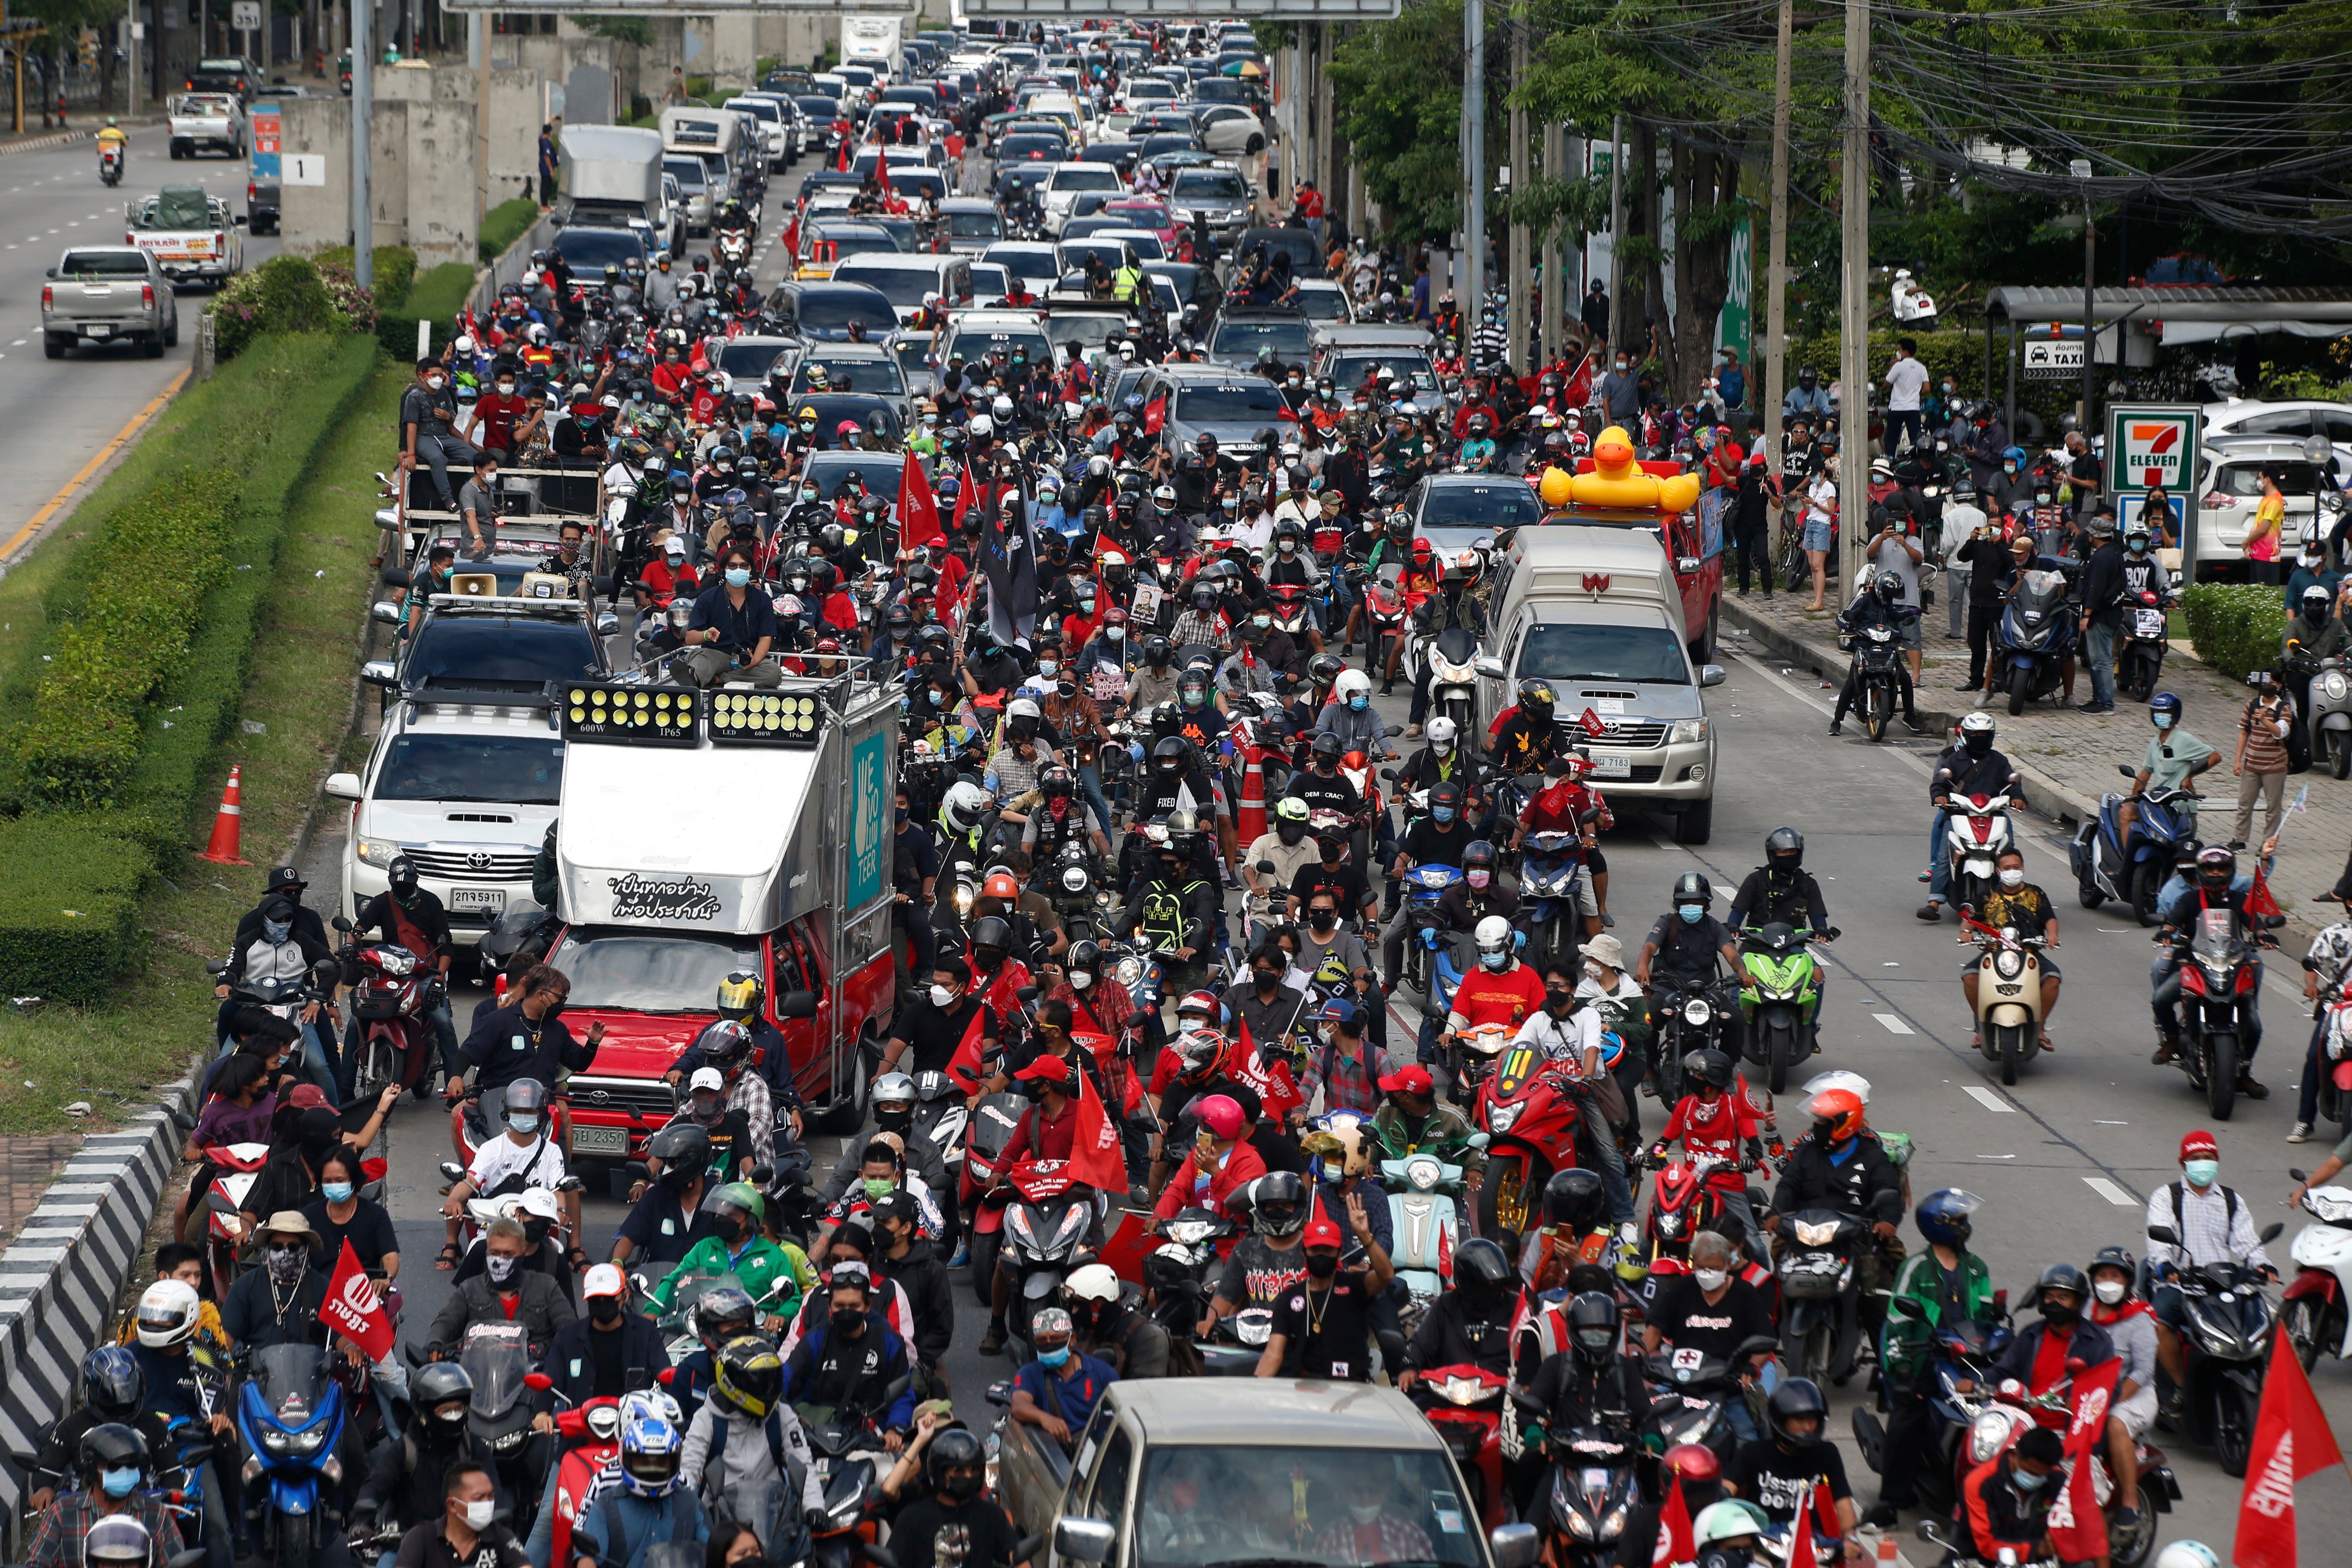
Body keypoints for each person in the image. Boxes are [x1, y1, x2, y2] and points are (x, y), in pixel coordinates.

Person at [1865, 1189, 1993, 1526]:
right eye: (1959, 1221)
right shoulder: (1916, 1268)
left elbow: (1988, 1318)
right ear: (1939, 1226)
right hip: (1924, 1360)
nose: (1965, 1227)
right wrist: (1903, 1371)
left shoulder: (1977, 1268)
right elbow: (1897, 1324)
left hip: (1968, 1362)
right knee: (1906, 1422)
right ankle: (1891, 1500)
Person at [2145, 1131, 2273, 1411]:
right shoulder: (2167, 1197)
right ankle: (2180, 1387)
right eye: (2195, 1158)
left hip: (2224, 1285)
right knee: (2158, 1324)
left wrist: (2262, 1265)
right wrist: (2166, 1267)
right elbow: (2158, 1243)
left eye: (2208, 1158)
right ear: (2183, 1163)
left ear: (2217, 1161)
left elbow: (2247, 1242)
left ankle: (2266, 1390)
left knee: (2265, 1326)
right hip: (2181, 1285)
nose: (2202, 1163)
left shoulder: (2230, 1199)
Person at [680, 1336, 825, 1518]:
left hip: (772, 1516)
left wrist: (814, 1507)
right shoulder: (707, 1418)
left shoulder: (783, 1415)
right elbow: (690, 1468)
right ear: (729, 1382)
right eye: (758, 1382)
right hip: (720, 1519)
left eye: (771, 1380)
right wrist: (683, 1515)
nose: (767, 1389)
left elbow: (803, 1462)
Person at [1723, 1379, 1861, 1558]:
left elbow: (1844, 1505)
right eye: (1800, 1420)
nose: (1807, 1427)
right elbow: (1726, 1491)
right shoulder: (1753, 1452)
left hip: (1813, 1548)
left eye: (1812, 1420)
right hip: (1762, 1546)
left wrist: (1850, 1539)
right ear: (1781, 1421)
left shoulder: (1828, 1454)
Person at [1257, 1197, 1393, 1380]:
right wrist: (1255, 1390)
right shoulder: (1289, 1298)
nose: (1321, 1255)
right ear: (1304, 1253)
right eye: (1315, 1250)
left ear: (1340, 1253)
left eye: (1328, 1250)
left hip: (1351, 1389)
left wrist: (1365, 1237)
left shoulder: (1354, 1286)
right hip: (1302, 1388)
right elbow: (1273, 1354)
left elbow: (1386, 1275)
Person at [778, 1264, 916, 1440]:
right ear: (829, 1306)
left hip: (871, 1438)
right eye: (840, 1305)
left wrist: (895, 1429)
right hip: (815, 1434)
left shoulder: (889, 1342)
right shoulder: (815, 1339)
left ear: (868, 1306)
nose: (847, 1311)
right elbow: (785, 1379)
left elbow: (902, 1396)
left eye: (855, 1305)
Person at [26, 1426, 188, 1568]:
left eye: (131, 1466)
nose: (124, 1472)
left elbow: (175, 1563)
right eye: (114, 1467)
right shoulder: (62, 1513)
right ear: (91, 1468)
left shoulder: (157, 1515)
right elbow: (37, 1563)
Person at [647, 1184, 810, 1324]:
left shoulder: (774, 1256)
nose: (723, 1219)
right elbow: (675, 1280)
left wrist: (781, 1316)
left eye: (732, 1215)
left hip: (753, 1331)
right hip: (703, 1327)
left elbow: (793, 1299)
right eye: (720, 1214)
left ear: (752, 1220)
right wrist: (654, 1309)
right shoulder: (704, 1248)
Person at [426, 1217, 578, 1354]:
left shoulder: (547, 1287)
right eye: (495, 1253)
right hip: (480, 1370)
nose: (501, 1259)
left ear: (523, 1253)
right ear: (486, 1251)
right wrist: (436, 1342)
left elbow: (567, 1324)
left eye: (509, 1254)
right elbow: (446, 1321)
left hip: (534, 1372)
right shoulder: (470, 1289)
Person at [885, 1426, 1029, 1568]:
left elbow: (1018, 1557)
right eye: (959, 1471)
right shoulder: (912, 1519)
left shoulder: (992, 1516)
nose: (968, 1476)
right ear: (940, 1474)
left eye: (974, 1470)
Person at [1967, 848, 2062, 1050]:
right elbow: (1970, 921)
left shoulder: (2036, 893)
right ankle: (1981, 1027)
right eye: (2007, 868)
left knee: (2053, 978)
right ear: (1999, 872)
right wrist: (1965, 933)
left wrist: (2052, 935)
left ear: (2023, 869)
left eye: (2016, 867)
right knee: (1970, 976)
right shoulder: (1987, 896)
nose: (2012, 871)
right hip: (1993, 953)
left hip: (2030, 953)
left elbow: (2050, 919)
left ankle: (2039, 1028)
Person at [546, 1264, 670, 1416]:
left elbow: (666, 1374)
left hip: (634, 1427)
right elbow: (550, 1382)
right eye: (595, 1299)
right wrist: (541, 1414)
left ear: (626, 1296)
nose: (602, 1303)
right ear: (586, 1299)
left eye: (609, 1298)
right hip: (580, 1429)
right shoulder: (568, 1336)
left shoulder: (645, 1332)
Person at [1399, 1235, 1514, 1389]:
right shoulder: (1446, 1305)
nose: (1496, 1291)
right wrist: (1409, 1367)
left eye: (1498, 1284)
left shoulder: (1515, 1308)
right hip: (1449, 1391)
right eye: (1487, 1285)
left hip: (1500, 1396)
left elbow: (1530, 1354)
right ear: (1468, 1283)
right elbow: (1420, 1344)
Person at [1008, 1305, 1117, 1454]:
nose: (1049, 1344)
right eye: (1042, 1340)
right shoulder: (1030, 1373)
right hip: (1055, 1456)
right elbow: (1018, 1405)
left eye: (1056, 1338)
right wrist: (1044, 1418)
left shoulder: (1102, 1373)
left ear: (1072, 1340)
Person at [1826, 570, 1921, 735]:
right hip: (1864, 647)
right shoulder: (1863, 600)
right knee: (1851, 684)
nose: (1890, 598)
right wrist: (1848, 625)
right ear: (1880, 589)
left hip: (1886, 647)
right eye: (1889, 593)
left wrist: (1911, 613)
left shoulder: (1887, 603)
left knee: (1905, 680)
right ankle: (1837, 721)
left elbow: (1894, 615)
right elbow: (1841, 617)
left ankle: (1910, 716)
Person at [1955, 1426, 2064, 1567]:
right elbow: (1987, 1545)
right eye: (2031, 1473)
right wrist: (2038, 1549)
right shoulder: (1979, 1483)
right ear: (2014, 1455)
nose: (2037, 1479)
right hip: (1979, 1561)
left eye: (2044, 1475)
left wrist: (2057, 1540)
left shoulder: (2059, 1481)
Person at [392, 1463, 529, 1568]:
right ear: (453, 1505)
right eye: (479, 1498)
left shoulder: (500, 1536)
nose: (487, 1503)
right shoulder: (422, 1537)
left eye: (491, 1496)